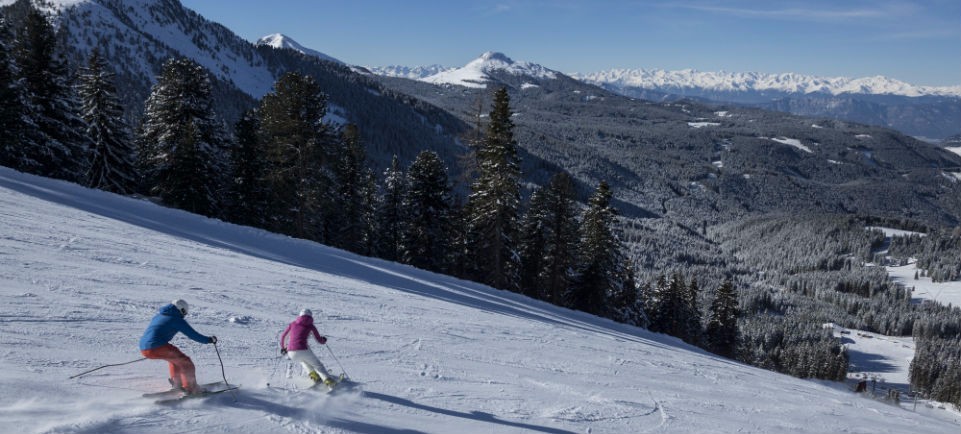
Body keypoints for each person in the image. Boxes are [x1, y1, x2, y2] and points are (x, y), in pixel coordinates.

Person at [139, 299, 217, 395]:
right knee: (186, 362)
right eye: (184, 312)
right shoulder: (176, 319)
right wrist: (209, 340)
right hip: (157, 346)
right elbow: (193, 335)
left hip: (144, 348)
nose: (184, 315)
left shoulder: (159, 316)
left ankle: (177, 385)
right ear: (182, 310)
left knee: (175, 360)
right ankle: (191, 389)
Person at [280, 309, 334, 386]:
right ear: (311, 316)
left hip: (291, 352)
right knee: (317, 365)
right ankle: (328, 381)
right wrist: (323, 340)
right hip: (303, 349)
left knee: (303, 360)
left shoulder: (292, 324)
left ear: (300, 315)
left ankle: (314, 376)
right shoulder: (311, 326)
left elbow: (283, 336)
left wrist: (283, 348)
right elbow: (318, 340)